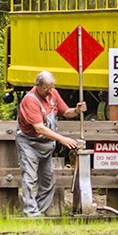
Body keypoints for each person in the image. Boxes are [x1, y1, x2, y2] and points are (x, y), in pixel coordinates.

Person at [16, 70, 88, 217]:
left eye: (52, 87)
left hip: (46, 145)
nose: (50, 90)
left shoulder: (53, 94)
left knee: (48, 181)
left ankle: (39, 211)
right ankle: (30, 212)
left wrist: (76, 110)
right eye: (47, 88)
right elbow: (39, 128)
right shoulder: (30, 100)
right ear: (37, 85)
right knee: (30, 178)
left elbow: (66, 112)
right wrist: (62, 139)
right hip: (30, 143)